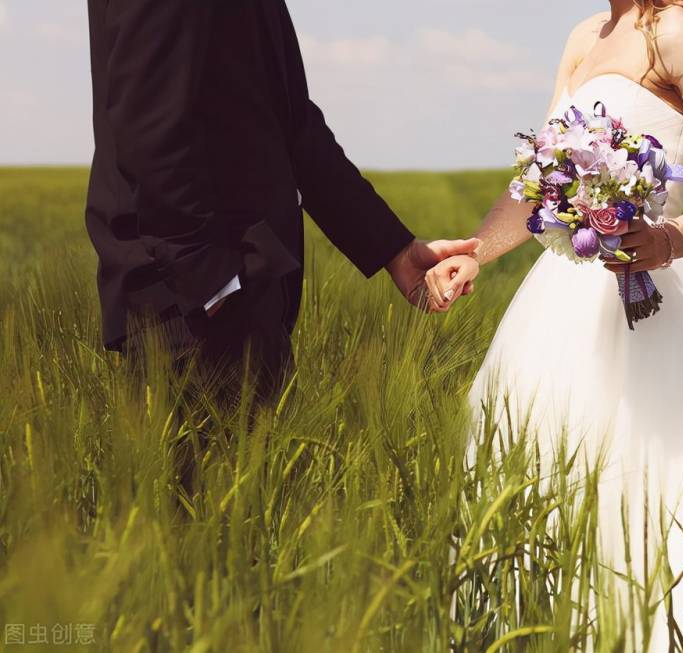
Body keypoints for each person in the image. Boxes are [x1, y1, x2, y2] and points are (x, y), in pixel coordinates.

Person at [426, 1, 683, 649]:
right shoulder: (585, 36)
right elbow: (538, 182)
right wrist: (474, 252)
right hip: (554, 310)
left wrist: (668, 240)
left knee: (644, 496)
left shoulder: (675, 30)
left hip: (641, 302)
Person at [85, 0, 479, 403]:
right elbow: (148, 121)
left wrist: (395, 252)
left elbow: (291, 122)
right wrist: (210, 283)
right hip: (191, 310)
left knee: (252, 465)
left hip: (241, 297)